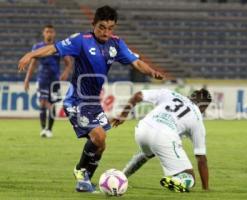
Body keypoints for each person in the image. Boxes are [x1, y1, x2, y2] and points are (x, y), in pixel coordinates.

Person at [18, 5, 165, 193]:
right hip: (76, 100)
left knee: (101, 145)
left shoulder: (116, 44)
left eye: (110, 28)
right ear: (93, 24)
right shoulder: (81, 41)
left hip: (93, 103)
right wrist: (30, 54)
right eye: (102, 27)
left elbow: (136, 62)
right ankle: (80, 171)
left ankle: (85, 181)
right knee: (99, 136)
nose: (106, 32)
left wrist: (151, 71)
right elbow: (53, 49)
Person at [111, 88, 211, 192]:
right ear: (203, 107)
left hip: (142, 128)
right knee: (189, 177)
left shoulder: (170, 93)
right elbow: (201, 158)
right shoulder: (197, 117)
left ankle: (121, 177)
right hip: (164, 135)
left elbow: (138, 95)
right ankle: (176, 180)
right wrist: (206, 188)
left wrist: (124, 114)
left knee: (147, 153)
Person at [24, 24, 72, 138]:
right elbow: (33, 64)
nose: (49, 34)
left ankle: (49, 129)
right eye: (47, 32)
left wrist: (66, 72)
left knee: (53, 105)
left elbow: (68, 62)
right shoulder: (38, 47)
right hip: (42, 79)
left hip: (54, 80)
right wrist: (27, 79)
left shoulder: (59, 47)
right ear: (43, 33)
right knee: (43, 102)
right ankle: (43, 129)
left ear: (54, 33)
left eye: (51, 32)